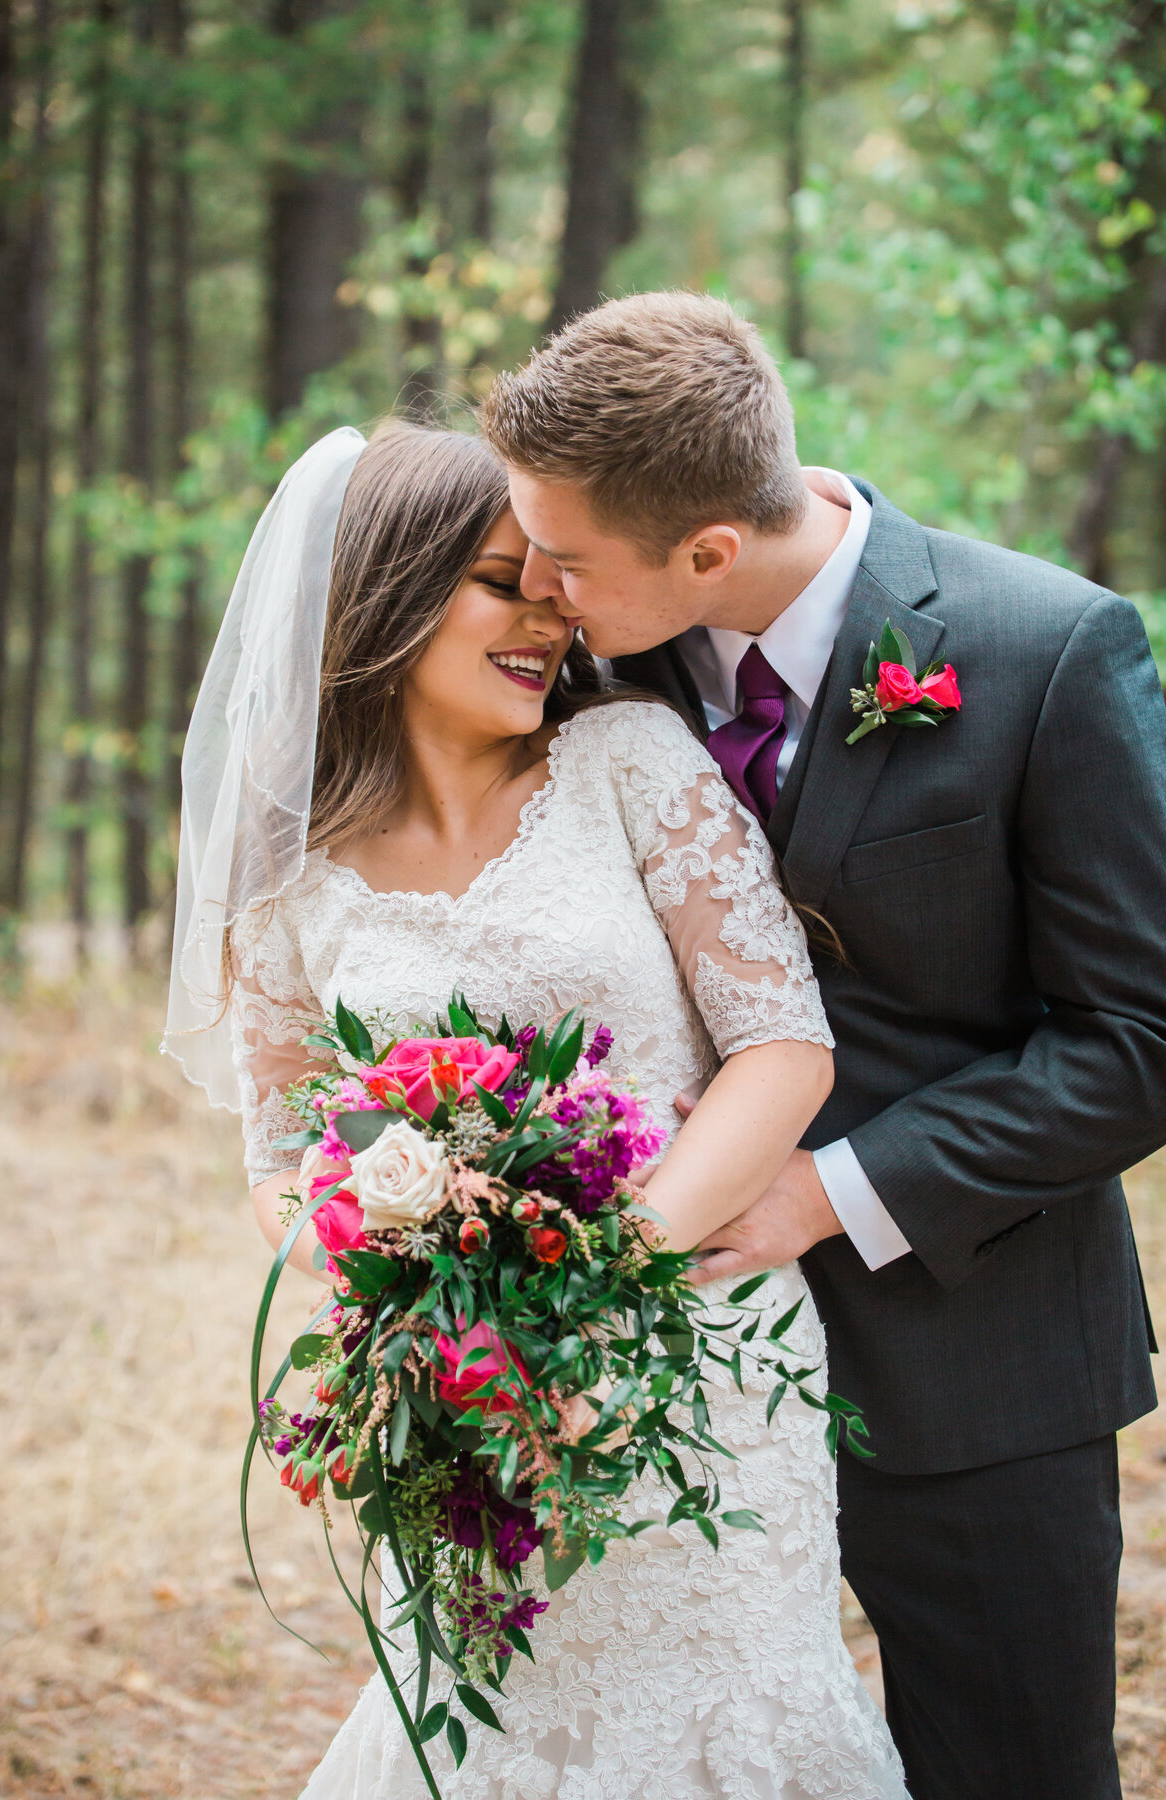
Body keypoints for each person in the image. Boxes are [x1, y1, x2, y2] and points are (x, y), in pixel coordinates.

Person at [480, 288, 1166, 1800]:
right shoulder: (600, 662)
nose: (538, 584)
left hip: (982, 1364)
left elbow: (1138, 1040)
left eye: (568, 555)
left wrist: (826, 1191)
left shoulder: (1048, 648)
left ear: (708, 552)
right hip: (670, 1379)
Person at [164, 420, 907, 1799]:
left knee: (736, 1723)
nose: (551, 620)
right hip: (466, 1403)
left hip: (702, 1367)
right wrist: (400, 1280)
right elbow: (280, 1150)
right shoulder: (291, 876)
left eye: (554, 583)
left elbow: (783, 1052)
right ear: (385, 599)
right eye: (504, 582)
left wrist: (600, 1277)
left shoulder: (631, 760)